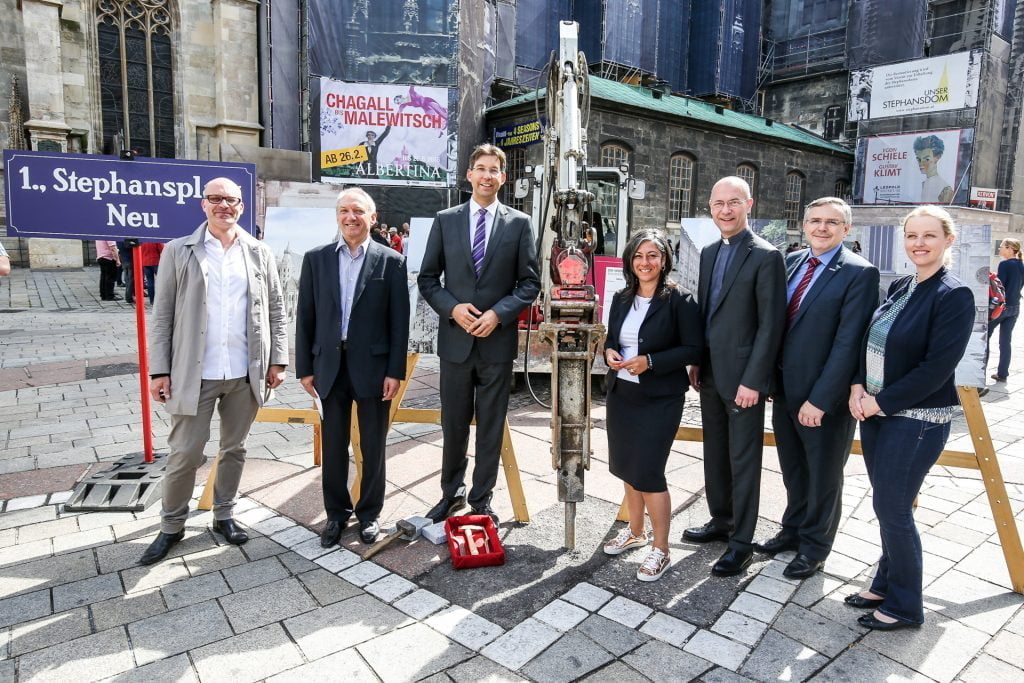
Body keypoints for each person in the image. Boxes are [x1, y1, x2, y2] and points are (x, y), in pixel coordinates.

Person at [141, 177, 288, 566]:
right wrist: (159, 370)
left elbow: (276, 309)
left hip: (244, 371)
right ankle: (171, 527)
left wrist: (278, 361)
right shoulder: (180, 251)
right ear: (203, 204)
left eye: (231, 200)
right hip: (194, 372)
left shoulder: (258, 252)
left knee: (234, 449)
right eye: (216, 199)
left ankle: (224, 515)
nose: (224, 205)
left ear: (242, 206)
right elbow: (162, 315)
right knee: (185, 452)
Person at [848, 205, 974, 630]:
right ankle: (885, 581)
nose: (919, 243)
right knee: (888, 505)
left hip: (916, 419)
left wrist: (879, 403)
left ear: (948, 240)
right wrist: (857, 387)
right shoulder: (903, 285)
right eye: (912, 235)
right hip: (877, 412)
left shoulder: (954, 294)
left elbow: (936, 369)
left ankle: (905, 606)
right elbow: (871, 342)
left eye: (929, 236)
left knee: (893, 507)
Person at [417, 143, 540, 524]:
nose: (487, 176)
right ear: (469, 174)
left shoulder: (519, 223)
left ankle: (481, 497)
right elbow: (427, 279)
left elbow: (529, 283)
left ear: (503, 178)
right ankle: (449, 494)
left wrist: (499, 315)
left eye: (494, 170)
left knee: (490, 426)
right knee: (452, 425)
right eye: (481, 168)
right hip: (455, 342)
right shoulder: (445, 220)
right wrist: (452, 308)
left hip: (495, 345)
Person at [762, 198, 879, 579]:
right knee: (793, 469)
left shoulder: (859, 273)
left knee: (824, 475)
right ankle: (793, 529)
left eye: (832, 222)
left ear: (846, 229)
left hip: (822, 398)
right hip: (784, 390)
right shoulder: (792, 262)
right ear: (804, 225)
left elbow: (849, 343)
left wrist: (821, 399)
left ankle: (815, 547)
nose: (822, 228)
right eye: (815, 221)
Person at [682, 176, 786, 576]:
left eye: (733, 202)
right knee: (715, 455)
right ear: (710, 207)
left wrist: (754, 380)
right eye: (718, 203)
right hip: (709, 373)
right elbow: (708, 313)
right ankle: (720, 520)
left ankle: (741, 542)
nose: (725, 210)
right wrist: (696, 360)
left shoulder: (765, 255)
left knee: (744, 461)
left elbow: (770, 326)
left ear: (749, 205)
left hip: (744, 380)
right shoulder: (709, 251)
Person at [295, 188, 410, 546]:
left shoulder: (391, 261)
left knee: (373, 446)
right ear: (337, 216)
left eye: (358, 211)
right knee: (334, 446)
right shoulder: (316, 259)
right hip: (329, 367)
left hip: (374, 369)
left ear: (372, 218)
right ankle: (336, 515)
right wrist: (304, 368)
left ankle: (370, 514)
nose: (351, 217)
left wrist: (395, 371)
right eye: (344, 210)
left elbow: (398, 322)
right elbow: (306, 317)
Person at [602, 228, 702, 581]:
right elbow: (612, 339)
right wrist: (610, 352)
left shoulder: (680, 300)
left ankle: (661, 549)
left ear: (664, 260)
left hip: (660, 399)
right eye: (639, 256)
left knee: (649, 472)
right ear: (630, 260)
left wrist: (652, 362)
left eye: (653, 256)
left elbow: (693, 349)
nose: (645, 262)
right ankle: (635, 531)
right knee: (627, 468)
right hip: (623, 396)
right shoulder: (620, 297)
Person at [988, 238, 1024, 383]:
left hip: (1001, 308)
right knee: (1005, 341)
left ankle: (979, 371)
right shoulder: (1021, 265)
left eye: (1001, 246)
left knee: (984, 339)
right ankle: (1002, 374)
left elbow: (999, 288)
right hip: (1015, 307)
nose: (999, 249)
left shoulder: (1004, 264)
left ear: (1009, 248)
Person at [913, 135, 954, 204]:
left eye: (926, 159)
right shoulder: (923, 184)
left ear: (937, 157)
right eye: (919, 159)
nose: (921, 163)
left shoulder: (945, 189)